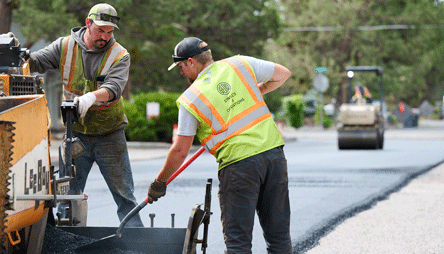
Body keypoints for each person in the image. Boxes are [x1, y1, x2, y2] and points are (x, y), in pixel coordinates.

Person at [147, 37, 293, 253]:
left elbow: (179, 151)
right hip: (274, 157)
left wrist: (159, 182)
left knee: (238, 243)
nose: (181, 73)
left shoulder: (191, 98)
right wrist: (255, 91)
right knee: (279, 238)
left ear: (190, 62)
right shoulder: (239, 64)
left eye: (180, 67)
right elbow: (283, 74)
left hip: (239, 167)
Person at [28, 3, 143, 227]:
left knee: (125, 197)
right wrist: (16, 54)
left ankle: (136, 244)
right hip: (76, 135)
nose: (105, 36)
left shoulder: (119, 55)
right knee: (66, 197)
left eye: (109, 32)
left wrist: (91, 97)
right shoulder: (65, 46)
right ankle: (65, 242)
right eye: (100, 30)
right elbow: (35, 61)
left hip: (110, 135)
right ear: (88, 24)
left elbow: (113, 88)